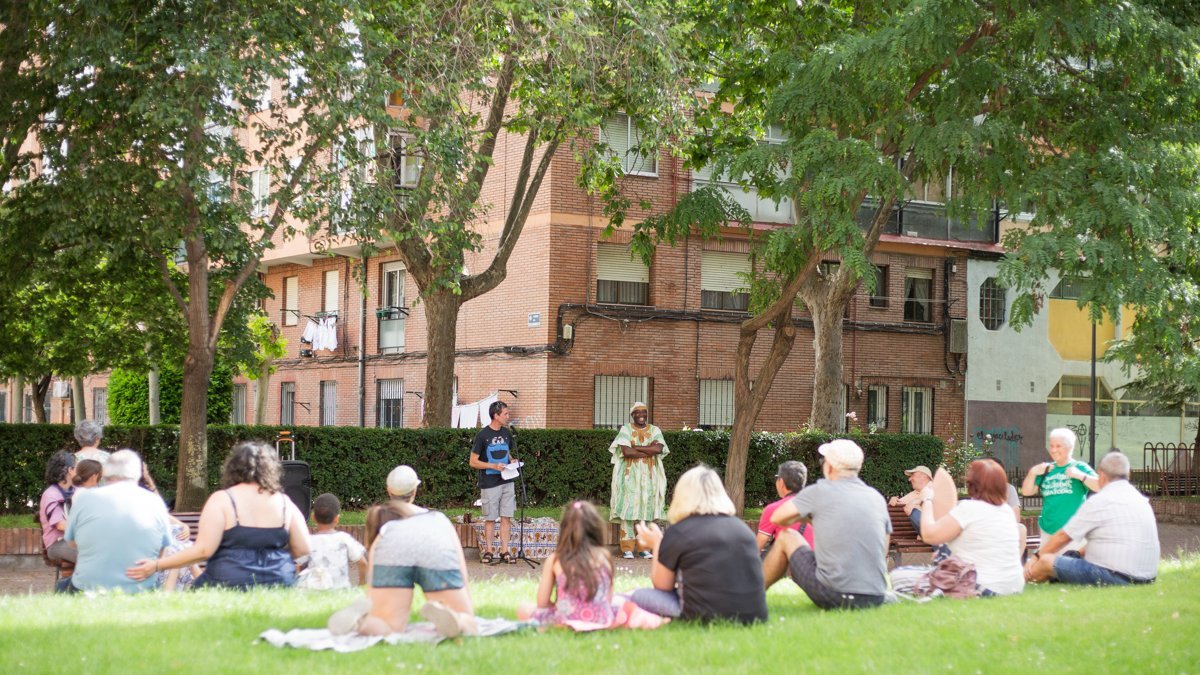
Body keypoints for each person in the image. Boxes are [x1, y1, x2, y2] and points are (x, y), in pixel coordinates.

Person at [127, 441, 311, 590]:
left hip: (229, 581)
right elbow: (303, 549)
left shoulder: (222, 500)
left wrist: (157, 565)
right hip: (278, 581)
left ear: (233, 468)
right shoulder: (285, 502)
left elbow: (203, 551)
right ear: (272, 469)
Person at [328, 465, 479, 638]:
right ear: (415, 490)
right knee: (468, 623)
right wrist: (466, 603)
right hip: (433, 546)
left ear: (388, 490)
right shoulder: (438, 519)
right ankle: (456, 619)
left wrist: (371, 600)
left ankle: (361, 622)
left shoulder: (383, 521)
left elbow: (373, 563)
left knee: (388, 626)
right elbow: (460, 568)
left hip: (394, 547)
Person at [763, 439, 892, 610]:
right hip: (875, 595)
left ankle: (750, 594)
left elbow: (778, 517)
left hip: (834, 594)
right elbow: (883, 546)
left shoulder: (819, 491)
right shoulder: (876, 497)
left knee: (788, 536)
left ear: (829, 467)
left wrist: (809, 518)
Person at [630, 465, 768, 624]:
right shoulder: (743, 529)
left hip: (702, 614)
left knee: (638, 595)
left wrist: (657, 544)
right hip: (754, 614)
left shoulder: (679, 531)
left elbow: (662, 586)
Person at [892, 459, 1025, 596]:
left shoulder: (968, 508)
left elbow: (929, 535)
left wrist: (927, 500)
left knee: (898, 577)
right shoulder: (1006, 511)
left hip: (979, 585)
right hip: (1013, 586)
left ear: (972, 484)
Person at [1024, 451, 1159, 586]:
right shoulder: (1139, 499)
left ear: (1102, 475)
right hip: (1147, 576)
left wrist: (1035, 557)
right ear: (1128, 474)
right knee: (1070, 558)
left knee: (1046, 561)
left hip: (1114, 575)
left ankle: (1021, 579)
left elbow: (1063, 537)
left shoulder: (1100, 501)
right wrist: (1076, 553)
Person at [62, 450, 172, 593]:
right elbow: (164, 547)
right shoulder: (154, 501)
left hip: (88, 587)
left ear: (106, 473)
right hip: (140, 587)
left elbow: (71, 543)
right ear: (138, 474)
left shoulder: (83, 499)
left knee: (62, 587)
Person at [517, 500, 615, 628]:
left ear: (564, 529)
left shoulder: (555, 559)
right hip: (602, 620)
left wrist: (562, 607)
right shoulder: (604, 555)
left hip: (565, 621)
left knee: (523, 608)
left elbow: (542, 602)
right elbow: (608, 599)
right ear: (596, 528)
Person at [608, 401, 669, 559]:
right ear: (632, 415)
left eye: (644, 412)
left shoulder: (655, 430)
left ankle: (644, 548)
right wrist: (648, 449)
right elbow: (626, 452)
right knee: (629, 509)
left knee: (646, 511)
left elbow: (658, 449)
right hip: (629, 476)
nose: (641, 415)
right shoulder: (626, 429)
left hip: (649, 476)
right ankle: (627, 548)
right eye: (637, 412)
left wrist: (636, 447)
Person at [1021, 427, 1098, 536]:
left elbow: (1100, 486)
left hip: (1073, 534)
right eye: (1051, 446)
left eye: (1058, 446)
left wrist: (1080, 476)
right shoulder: (1046, 469)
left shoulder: (1079, 467)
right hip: (1048, 531)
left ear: (1069, 447)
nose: (1053, 450)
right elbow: (1026, 492)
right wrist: (1032, 472)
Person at [469, 401, 518, 564]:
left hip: (507, 480)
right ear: (496, 416)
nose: (507, 417)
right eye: (505, 414)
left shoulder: (507, 434)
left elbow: (507, 451)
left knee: (506, 516)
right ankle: (489, 551)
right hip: (489, 482)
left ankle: (505, 551)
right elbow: (473, 461)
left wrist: (512, 460)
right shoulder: (482, 435)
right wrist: (493, 466)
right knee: (490, 517)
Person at [298, 492, 368, 590]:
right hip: (341, 592)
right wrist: (361, 583)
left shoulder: (308, 541)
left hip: (314, 593)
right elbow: (363, 563)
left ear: (313, 518)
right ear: (336, 519)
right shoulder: (344, 539)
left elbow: (298, 564)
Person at [756, 461, 814, 554]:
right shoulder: (818, 507)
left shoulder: (774, 509)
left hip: (789, 564)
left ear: (781, 482)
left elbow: (758, 546)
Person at [40, 450, 77, 564]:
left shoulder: (76, 490)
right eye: (76, 466)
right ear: (70, 470)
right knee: (93, 556)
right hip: (56, 544)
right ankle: (68, 582)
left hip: (75, 540)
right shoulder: (51, 494)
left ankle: (71, 581)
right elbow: (60, 525)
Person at [889, 465, 934, 531]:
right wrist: (894, 499)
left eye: (913, 475)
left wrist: (919, 501)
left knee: (914, 511)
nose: (909, 479)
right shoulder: (915, 493)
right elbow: (897, 503)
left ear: (924, 476)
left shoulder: (937, 488)